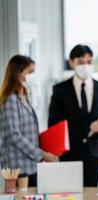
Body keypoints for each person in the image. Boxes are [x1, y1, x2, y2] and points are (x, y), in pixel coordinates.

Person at [48, 45, 98, 186]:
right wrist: (87, 128)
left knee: (92, 194)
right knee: (71, 195)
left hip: (95, 154)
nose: (85, 66)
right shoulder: (60, 89)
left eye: (89, 62)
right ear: (71, 62)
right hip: (70, 154)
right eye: (80, 62)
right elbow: (54, 124)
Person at [0, 55, 58, 186]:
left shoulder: (24, 97)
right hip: (17, 166)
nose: (32, 76)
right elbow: (14, 135)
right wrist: (42, 154)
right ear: (17, 73)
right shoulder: (11, 100)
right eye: (29, 72)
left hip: (30, 164)